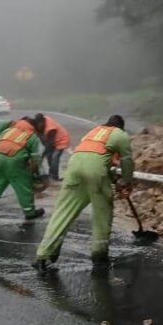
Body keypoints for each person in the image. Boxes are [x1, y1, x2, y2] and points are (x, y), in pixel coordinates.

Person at [33, 114, 134, 272]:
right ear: (120, 126)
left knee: (63, 212)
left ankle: (43, 255)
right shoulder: (120, 135)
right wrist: (126, 182)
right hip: (95, 171)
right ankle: (99, 257)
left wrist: (112, 177)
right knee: (102, 213)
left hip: (73, 169)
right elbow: (127, 160)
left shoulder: (93, 132)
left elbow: (96, 156)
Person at [0, 114, 47, 222]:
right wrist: (38, 175)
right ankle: (29, 211)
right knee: (23, 186)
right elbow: (36, 160)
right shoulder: (31, 136)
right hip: (15, 161)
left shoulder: (11, 129)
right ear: (36, 126)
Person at [40, 115, 72, 181]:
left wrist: (42, 156)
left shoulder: (50, 128)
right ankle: (51, 173)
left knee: (55, 157)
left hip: (62, 140)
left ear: (43, 122)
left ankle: (54, 176)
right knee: (49, 156)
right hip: (54, 141)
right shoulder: (43, 120)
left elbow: (49, 145)